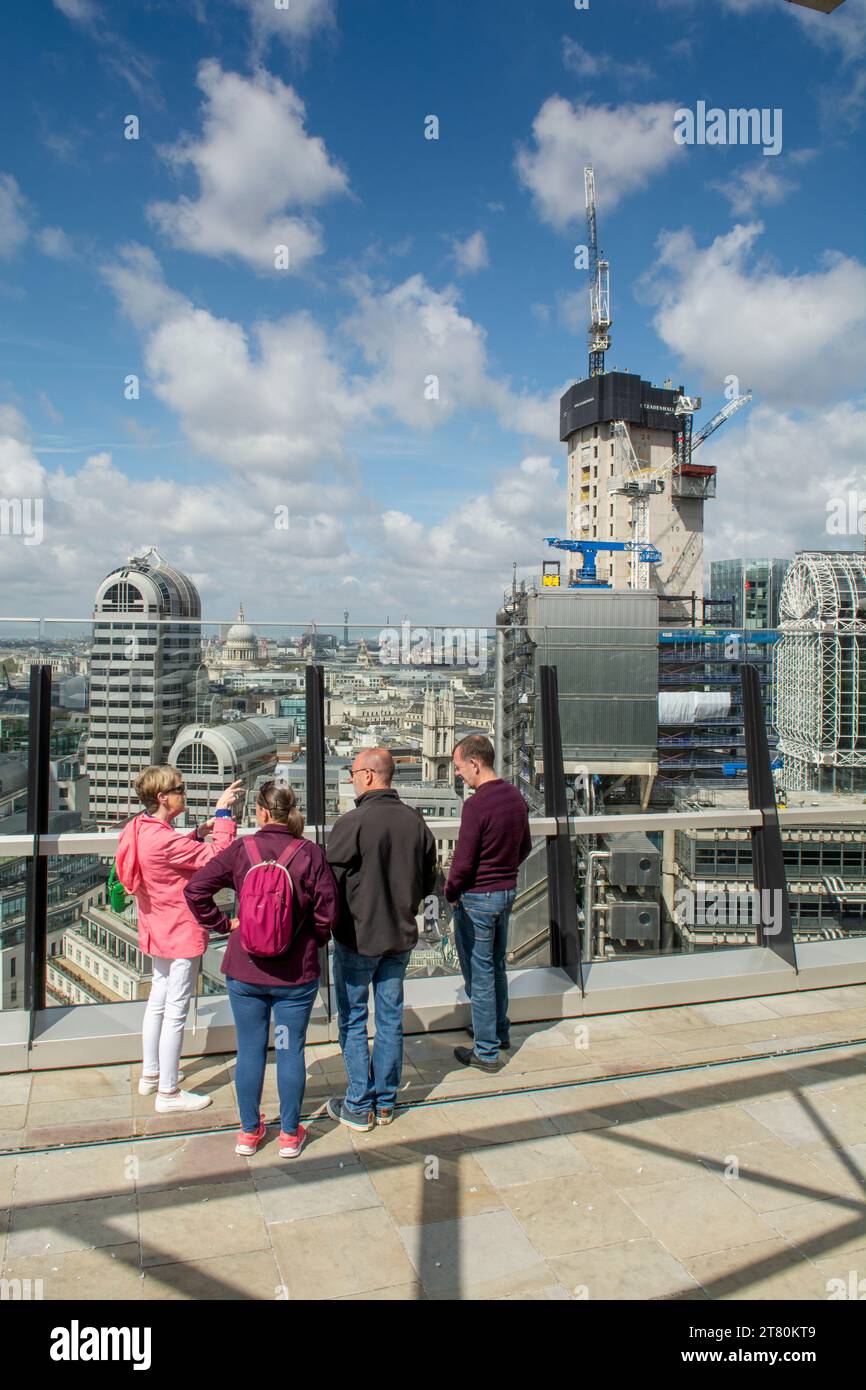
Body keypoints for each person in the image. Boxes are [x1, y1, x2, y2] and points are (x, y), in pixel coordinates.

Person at [184, 782, 337, 1158]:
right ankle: (288, 1134)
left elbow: (196, 890)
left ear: (262, 813)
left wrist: (224, 925)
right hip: (293, 977)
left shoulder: (243, 850)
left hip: (246, 970)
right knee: (288, 1049)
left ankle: (249, 1133)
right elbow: (327, 914)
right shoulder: (310, 853)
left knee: (250, 1050)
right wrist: (307, 940)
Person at [115, 766, 243, 1112]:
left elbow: (169, 852)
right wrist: (222, 815)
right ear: (163, 797)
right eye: (180, 789)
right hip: (180, 927)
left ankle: (151, 1075)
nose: (183, 794)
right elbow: (217, 858)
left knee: (158, 997)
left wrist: (197, 832)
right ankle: (168, 1093)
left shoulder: (139, 828)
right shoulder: (163, 839)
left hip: (155, 924)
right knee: (177, 1009)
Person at [325, 748, 437, 1130]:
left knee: (354, 1018)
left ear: (369, 776)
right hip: (401, 937)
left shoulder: (353, 822)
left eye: (354, 772)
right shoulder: (415, 822)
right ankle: (386, 1102)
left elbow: (329, 883)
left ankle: (359, 1103)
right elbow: (428, 879)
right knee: (389, 1018)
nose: (352, 778)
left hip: (357, 938)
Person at [445, 734, 531, 1072]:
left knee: (479, 974)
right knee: (496, 965)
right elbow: (524, 846)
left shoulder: (476, 805)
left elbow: (463, 862)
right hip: (506, 892)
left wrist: (451, 892)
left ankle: (486, 1051)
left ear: (475, 763)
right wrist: (504, 870)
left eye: (459, 767)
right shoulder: (515, 797)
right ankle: (497, 1030)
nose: (458, 774)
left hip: (478, 898)